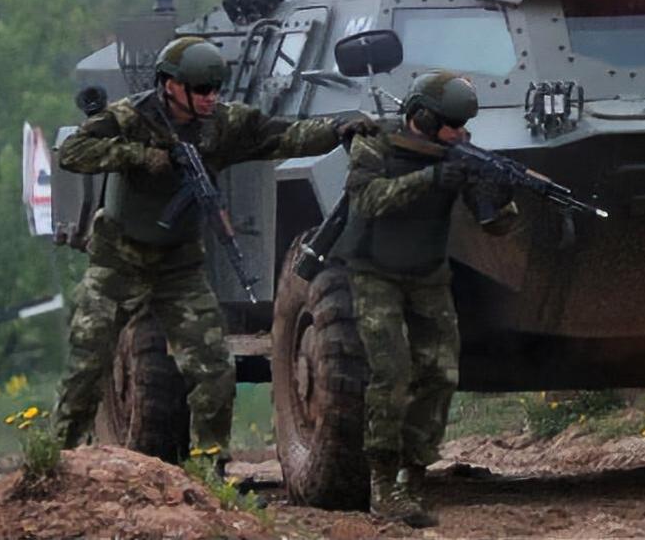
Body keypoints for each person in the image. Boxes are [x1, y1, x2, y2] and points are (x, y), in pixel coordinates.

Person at [53, 36, 372, 459]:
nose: (210, 98)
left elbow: (285, 136)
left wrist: (336, 130)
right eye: (202, 90)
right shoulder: (132, 116)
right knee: (87, 365)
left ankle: (210, 465)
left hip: (178, 266)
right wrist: (139, 157)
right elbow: (74, 151)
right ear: (171, 86)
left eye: (216, 89)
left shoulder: (224, 125)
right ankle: (58, 461)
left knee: (215, 371)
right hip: (119, 262)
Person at [343, 70, 517, 527]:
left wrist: (498, 194)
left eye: (464, 126)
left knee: (440, 375)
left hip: (428, 275)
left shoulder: (458, 152)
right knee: (392, 373)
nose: (460, 134)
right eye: (453, 125)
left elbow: (497, 226)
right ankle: (382, 486)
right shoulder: (373, 144)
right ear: (422, 116)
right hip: (375, 274)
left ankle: (413, 478)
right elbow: (368, 201)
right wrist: (434, 177)